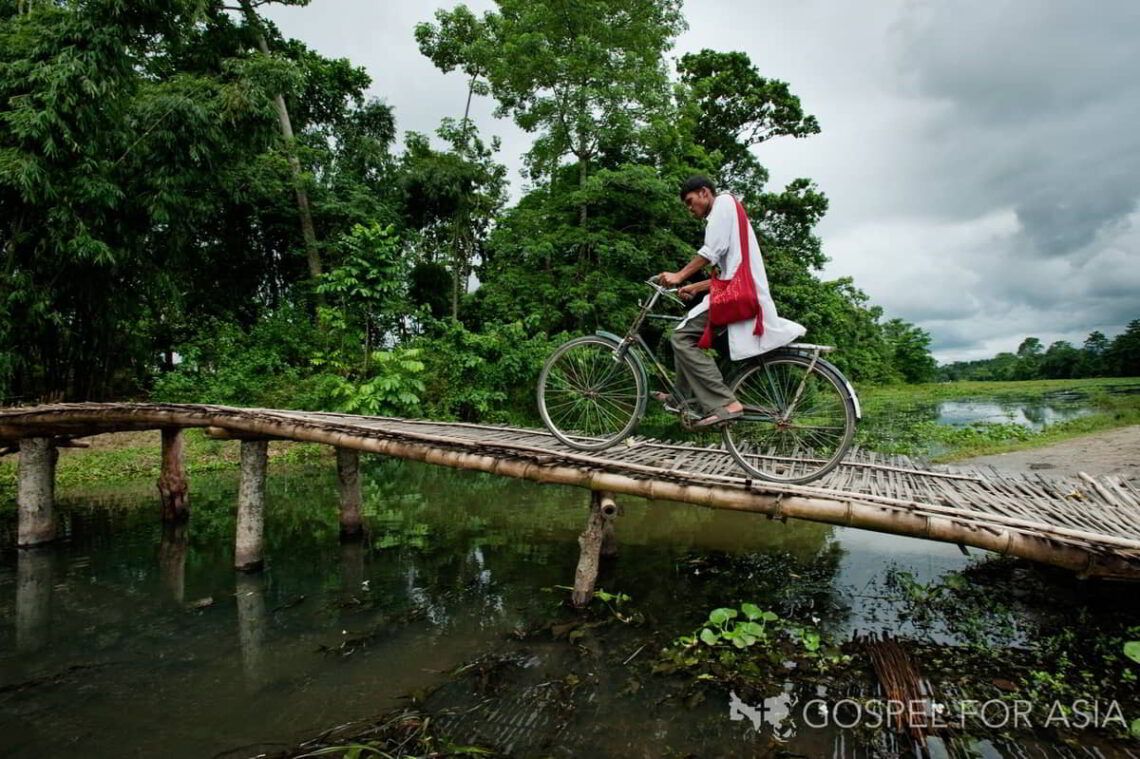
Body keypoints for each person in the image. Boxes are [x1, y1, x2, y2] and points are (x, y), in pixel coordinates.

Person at [658, 175, 806, 427]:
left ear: (704, 192)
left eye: (690, 201)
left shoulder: (723, 204)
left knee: (681, 338)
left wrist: (679, 275)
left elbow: (710, 251)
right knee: (686, 333)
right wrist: (696, 287)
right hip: (738, 289)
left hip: (738, 294)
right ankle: (682, 398)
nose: (690, 209)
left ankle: (725, 404)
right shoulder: (728, 209)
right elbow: (730, 269)